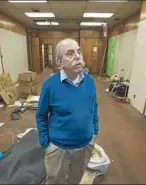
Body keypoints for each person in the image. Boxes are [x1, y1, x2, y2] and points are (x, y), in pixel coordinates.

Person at [36, 38, 99, 184]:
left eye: (79, 51)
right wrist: (46, 144)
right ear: (59, 62)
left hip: (85, 145)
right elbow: (41, 115)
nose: (77, 56)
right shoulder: (50, 85)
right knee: (55, 180)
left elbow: (94, 107)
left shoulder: (89, 81)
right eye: (70, 54)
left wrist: (95, 131)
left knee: (75, 179)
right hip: (59, 148)